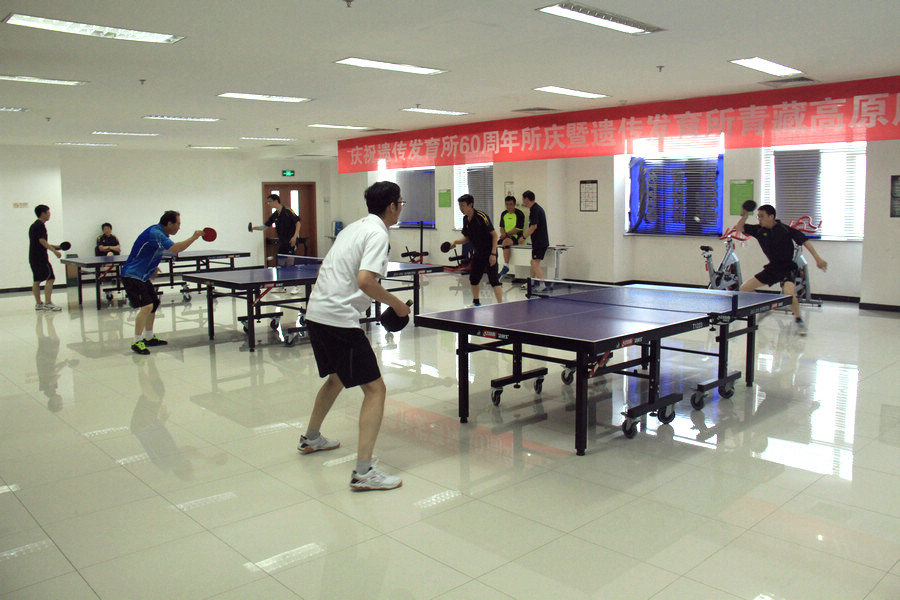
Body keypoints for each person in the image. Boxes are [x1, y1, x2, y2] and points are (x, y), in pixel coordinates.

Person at [298, 181, 409, 492]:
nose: (401, 208)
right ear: (392, 206)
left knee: (335, 379)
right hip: (338, 319)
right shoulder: (378, 233)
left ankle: (311, 438)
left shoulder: (353, 228)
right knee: (375, 390)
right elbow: (365, 281)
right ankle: (363, 472)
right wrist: (397, 305)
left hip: (316, 313)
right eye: (400, 203)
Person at [735, 204, 827, 334]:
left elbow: (805, 241)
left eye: (762, 216)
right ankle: (766, 308)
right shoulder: (758, 230)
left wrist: (818, 258)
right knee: (744, 288)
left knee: (789, 293)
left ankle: (799, 321)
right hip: (772, 267)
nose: (759, 219)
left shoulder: (785, 229)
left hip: (787, 267)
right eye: (758, 216)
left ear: (771, 216)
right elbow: (739, 228)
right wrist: (745, 216)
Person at [120, 211, 202, 354]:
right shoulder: (155, 233)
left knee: (154, 303)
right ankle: (137, 341)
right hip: (132, 275)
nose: (179, 227)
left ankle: (149, 337)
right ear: (169, 223)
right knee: (147, 306)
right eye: (178, 224)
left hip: (142, 275)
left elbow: (151, 251)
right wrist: (194, 237)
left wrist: (152, 268)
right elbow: (176, 249)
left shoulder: (161, 234)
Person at [450, 194, 502, 306]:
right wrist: (455, 242)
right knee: (473, 279)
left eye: (463, 205)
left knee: (494, 280)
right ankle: (476, 302)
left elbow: (494, 235)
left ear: (470, 205)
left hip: (489, 252)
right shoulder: (465, 219)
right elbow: (466, 238)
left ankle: (501, 305)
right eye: (459, 205)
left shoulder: (481, 217)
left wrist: (493, 254)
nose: (461, 208)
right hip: (478, 254)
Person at [29, 204, 63, 311]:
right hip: (41, 258)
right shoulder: (40, 226)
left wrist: (55, 246)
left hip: (33, 257)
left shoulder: (34, 225)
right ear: (43, 213)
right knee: (51, 278)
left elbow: (38, 242)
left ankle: (39, 304)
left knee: (37, 280)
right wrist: (54, 252)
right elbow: (42, 241)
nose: (49, 214)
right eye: (48, 212)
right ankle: (48, 303)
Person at [252, 194, 301, 261]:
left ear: (276, 201)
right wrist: (254, 228)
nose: (268, 203)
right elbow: (265, 226)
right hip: (282, 241)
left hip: (291, 239)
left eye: (270, 201)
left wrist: (294, 237)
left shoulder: (288, 210)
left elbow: (298, 223)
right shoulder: (275, 215)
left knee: (290, 261)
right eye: (268, 202)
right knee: (280, 261)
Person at [521, 190, 549, 291]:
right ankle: (531, 282)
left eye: (523, 199)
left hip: (540, 242)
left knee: (534, 263)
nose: (523, 202)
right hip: (538, 241)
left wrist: (523, 237)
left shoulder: (535, 210)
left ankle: (542, 284)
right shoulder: (536, 209)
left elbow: (533, 226)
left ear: (527, 199)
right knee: (533, 261)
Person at [497, 195, 525, 277]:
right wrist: (503, 234)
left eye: (511, 204)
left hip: (516, 236)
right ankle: (495, 269)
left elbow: (518, 229)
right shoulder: (504, 214)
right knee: (494, 244)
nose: (509, 206)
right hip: (506, 236)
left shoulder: (519, 214)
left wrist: (506, 234)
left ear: (514, 204)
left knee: (505, 242)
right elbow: (502, 227)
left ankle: (506, 265)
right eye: (507, 204)